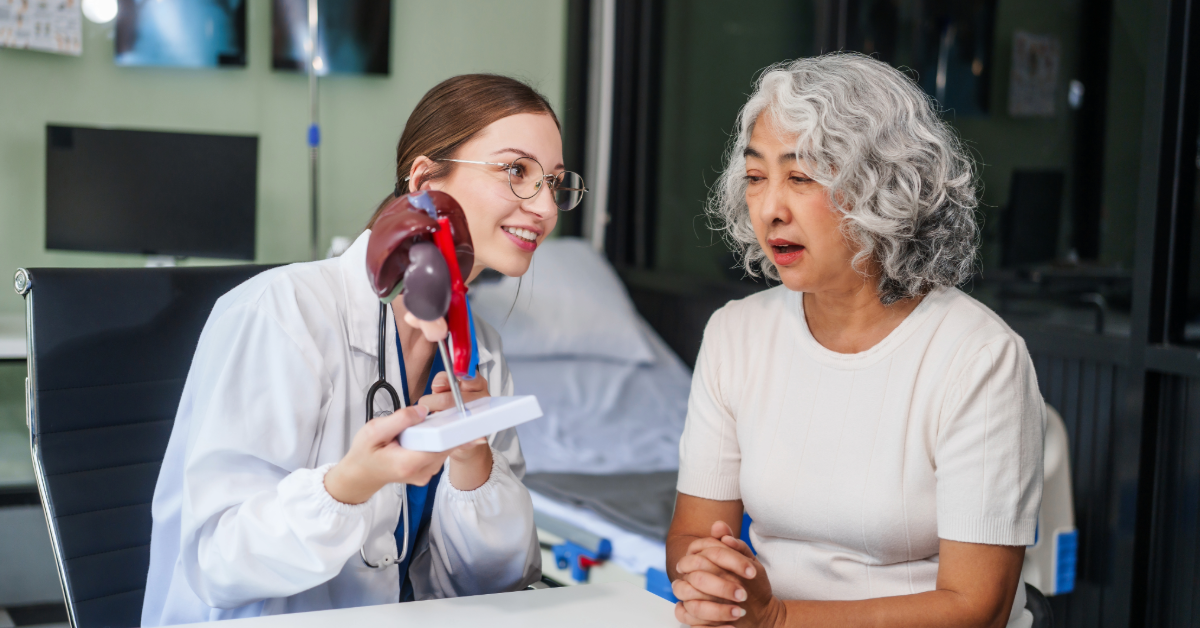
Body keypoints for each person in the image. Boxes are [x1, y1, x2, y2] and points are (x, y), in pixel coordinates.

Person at [142, 74, 586, 625]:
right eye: (517, 171)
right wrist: (348, 487)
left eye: (555, 182)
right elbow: (216, 562)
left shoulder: (481, 354)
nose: (545, 207)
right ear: (424, 179)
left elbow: (499, 586)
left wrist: (474, 461)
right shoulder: (284, 312)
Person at [666, 53, 1045, 628]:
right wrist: (711, 577)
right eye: (755, 177)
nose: (769, 209)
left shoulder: (978, 356)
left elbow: (977, 607)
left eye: (800, 177)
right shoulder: (735, 334)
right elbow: (692, 534)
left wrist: (779, 620)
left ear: (883, 187)